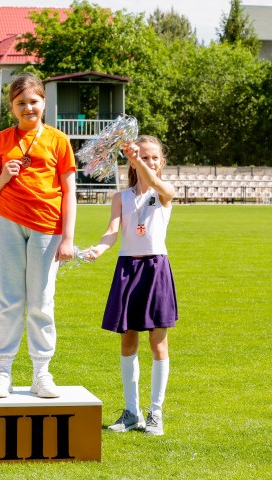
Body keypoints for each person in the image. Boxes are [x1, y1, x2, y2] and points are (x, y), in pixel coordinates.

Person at [0, 73, 77, 399]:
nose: (28, 108)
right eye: (21, 103)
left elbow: (69, 191)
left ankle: (41, 373)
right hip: (7, 223)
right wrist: (5, 176)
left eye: (33, 101)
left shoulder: (59, 140)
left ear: (44, 103)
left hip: (47, 229)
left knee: (41, 301)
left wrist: (67, 237)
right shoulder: (1, 140)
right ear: (12, 107)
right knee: (9, 300)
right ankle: (2, 371)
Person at [85, 135, 177, 436]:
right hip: (127, 268)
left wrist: (138, 160)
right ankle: (131, 411)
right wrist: (99, 248)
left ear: (161, 162)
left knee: (157, 343)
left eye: (154, 158)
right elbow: (112, 231)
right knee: (127, 342)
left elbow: (158, 184)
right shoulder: (120, 198)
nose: (149, 162)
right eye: (143, 157)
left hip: (155, 268)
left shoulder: (166, 192)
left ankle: (156, 413)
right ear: (132, 163)